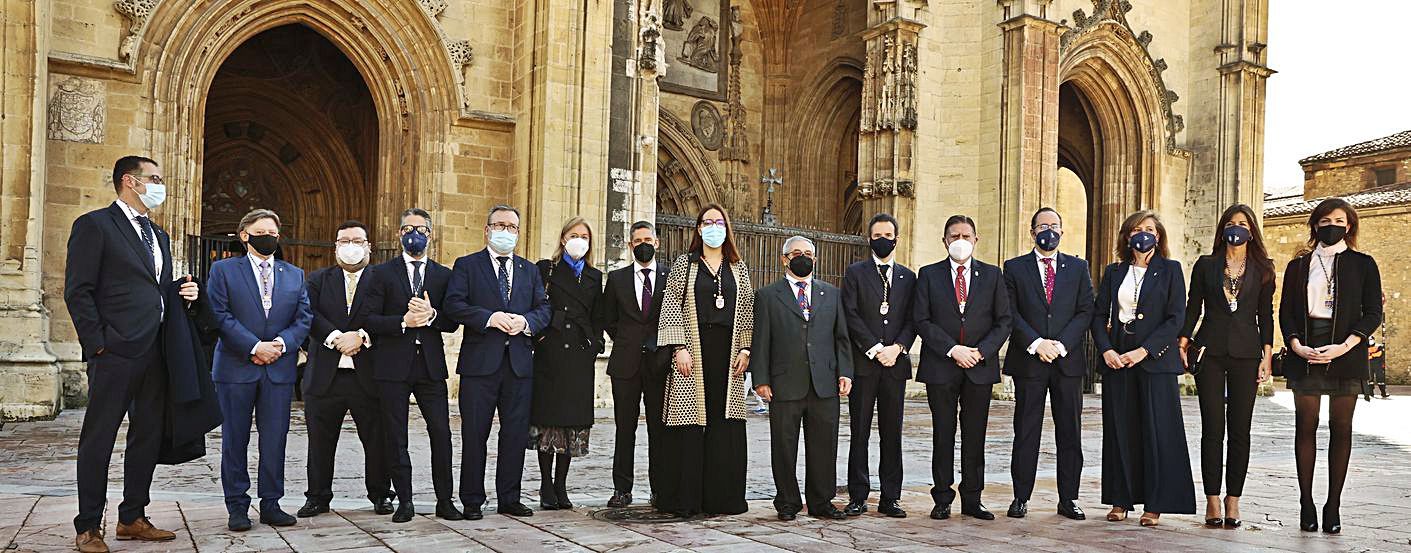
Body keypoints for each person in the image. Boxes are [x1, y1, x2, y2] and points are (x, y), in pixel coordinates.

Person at [64, 156, 200, 552]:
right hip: (115, 352)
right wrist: (99, 344)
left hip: (156, 351)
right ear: (130, 181)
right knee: (100, 437)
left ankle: (132, 517)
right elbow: (78, 290)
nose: (160, 186)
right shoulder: (94, 225)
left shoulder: (159, 236)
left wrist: (180, 292)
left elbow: (150, 289)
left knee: (148, 435)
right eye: (154, 178)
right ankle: (88, 525)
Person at [1277, 197, 1382, 534]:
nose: (1331, 225)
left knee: (1341, 428)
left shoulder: (1364, 264)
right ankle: (1306, 502)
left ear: (1348, 225)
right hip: (1305, 348)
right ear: (1315, 225)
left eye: (1338, 220)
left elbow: (1372, 313)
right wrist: (1295, 344)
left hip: (1347, 350)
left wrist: (1345, 346)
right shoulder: (1298, 266)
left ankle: (1332, 504)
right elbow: (1287, 311)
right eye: (1324, 221)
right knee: (1305, 426)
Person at [207, 209, 313, 532]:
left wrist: (280, 344)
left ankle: (271, 503)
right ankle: (237, 506)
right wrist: (255, 346)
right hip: (236, 368)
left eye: (274, 232)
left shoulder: (294, 274)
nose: (269, 236)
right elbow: (219, 314)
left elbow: (304, 317)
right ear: (245, 235)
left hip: (278, 370)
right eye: (262, 230)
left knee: (275, 439)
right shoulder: (223, 270)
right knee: (234, 439)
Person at [445, 205, 552, 519]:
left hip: (519, 365)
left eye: (512, 227)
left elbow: (544, 309)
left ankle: (509, 498)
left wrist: (526, 322)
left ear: (518, 233)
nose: (506, 231)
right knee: (475, 435)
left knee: (515, 434)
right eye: (500, 225)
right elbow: (454, 304)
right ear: (487, 229)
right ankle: (472, 500)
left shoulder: (529, 270)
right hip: (480, 366)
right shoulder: (467, 265)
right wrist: (489, 317)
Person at [1092, 210, 1195, 527]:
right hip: (1118, 360)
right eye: (1136, 229)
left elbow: (1176, 317)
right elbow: (1098, 316)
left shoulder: (1170, 270)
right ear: (1127, 236)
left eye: (1149, 229)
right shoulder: (1114, 272)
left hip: (1154, 361)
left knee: (1156, 431)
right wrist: (1107, 349)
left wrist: (1144, 351)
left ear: (1159, 236)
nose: (1143, 234)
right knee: (1121, 430)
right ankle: (1120, 499)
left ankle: (1154, 503)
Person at [362, 208, 463, 523]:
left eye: (420, 228)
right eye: (407, 228)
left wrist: (432, 316)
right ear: (399, 234)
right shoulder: (381, 273)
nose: (413, 233)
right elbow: (369, 319)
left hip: (430, 367)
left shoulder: (444, 275)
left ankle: (445, 500)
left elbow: (452, 321)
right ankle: (404, 500)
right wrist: (403, 322)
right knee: (396, 434)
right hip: (392, 366)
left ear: (430, 234)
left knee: (441, 433)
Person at [1178, 204, 1275, 529]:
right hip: (1211, 351)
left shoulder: (1263, 269)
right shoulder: (1206, 265)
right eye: (1231, 223)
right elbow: (1193, 306)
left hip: (1247, 353)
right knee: (1212, 429)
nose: (1237, 228)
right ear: (1223, 229)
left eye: (1243, 224)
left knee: (1240, 430)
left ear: (1251, 231)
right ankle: (1212, 500)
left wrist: (1267, 355)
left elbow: (1266, 315)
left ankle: (1234, 499)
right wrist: (1183, 339)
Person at [656, 203, 755, 517]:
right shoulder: (684, 264)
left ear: (727, 228)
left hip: (728, 355)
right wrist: (678, 347)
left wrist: (745, 349)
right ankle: (686, 499)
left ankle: (723, 499)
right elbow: (671, 302)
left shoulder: (738, 267)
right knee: (690, 423)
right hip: (692, 352)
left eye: (719, 221)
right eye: (707, 222)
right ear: (698, 228)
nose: (714, 226)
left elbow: (748, 310)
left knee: (724, 425)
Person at [913, 215, 1012, 521]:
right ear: (944, 241)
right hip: (941, 366)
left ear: (975, 240)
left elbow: (1004, 321)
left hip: (979, 368)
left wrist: (981, 352)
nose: (960, 240)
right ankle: (942, 497)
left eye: (966, 235)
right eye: (954, 235)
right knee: (943, 434)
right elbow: (921, 319)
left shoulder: (993, 275)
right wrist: (952, 349)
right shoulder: (928, 274)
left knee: (975, 435)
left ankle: (973, 498)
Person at [751, 236, 855, 521]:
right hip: (784, 383)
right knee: (784, 446)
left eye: (808, 253)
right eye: (797, 253)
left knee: (824, 446)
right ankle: (787, 502)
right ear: (785, 259)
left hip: (824, 383)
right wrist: (761, 379)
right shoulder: (767, 296)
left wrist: (845, 372)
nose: (803, 257)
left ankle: (822, 502)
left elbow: (842, 338)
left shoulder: (831, 294)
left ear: (816, 259)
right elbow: (761, 341)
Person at [298, 220, 394, 519]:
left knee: (377, 440)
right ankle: (317, 497)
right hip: (326, 376)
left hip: (369, 376)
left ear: (369, 246)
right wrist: (336, 339)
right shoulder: (318, 278)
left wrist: (361, 337)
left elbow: (388, 317)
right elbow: (308, 314)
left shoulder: (383, 280)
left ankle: (380, 493)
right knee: (320, 441)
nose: (350, 246)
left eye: (356, 240)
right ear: (335, 246)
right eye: (343, 241)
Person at [1002, 207, 1093, 521]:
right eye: (1042, 226)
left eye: (1054, 226)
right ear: (1032, 232)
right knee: (1026, 431)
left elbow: (1085, 311)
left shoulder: (1078, 268)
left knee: (1070, 432)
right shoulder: (1014, 268)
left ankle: (1069, 498)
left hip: (1067, 363)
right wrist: (1036, 343)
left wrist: (1062, 344)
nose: (1048, 231)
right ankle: (1020, 497)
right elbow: (1010, 312)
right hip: (1030, 361)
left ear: (1062, 232)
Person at [841, 213, 916, 518]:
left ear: (896, 238)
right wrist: (874, 348)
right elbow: (850, 314)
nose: (883, 239)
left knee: (892, 432)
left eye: (888, 234)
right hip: (865, 364)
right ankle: (858, 495)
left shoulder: (908, 277)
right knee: (859, 432)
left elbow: (914, 318)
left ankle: (890, 496)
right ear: (869, 238)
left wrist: (897, 348)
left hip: (895, 365)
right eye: (877, 235)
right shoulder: (856, 273)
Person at [529, 217, 605, 510]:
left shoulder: (594, 276)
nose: (579, 240)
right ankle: (546, 485)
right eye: (574, 235)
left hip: (578, 356)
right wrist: (540, 340)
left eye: (584, 236)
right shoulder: (545, 269)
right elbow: (536, 305)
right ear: (563, 239)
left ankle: (561, 485)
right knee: (548, 421)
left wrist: (595, 344)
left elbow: (598, 315)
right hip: (551, 354)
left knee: (571, 423)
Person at [601, 221, 670, 508]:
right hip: (625, 364)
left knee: (659, 429)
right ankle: (622, 489)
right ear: (630, 245)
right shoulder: (616, 279)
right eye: (637, 240)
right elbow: (608, 319)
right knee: (624, 428)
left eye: (647, 239)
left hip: (659, 363)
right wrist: (629, 341)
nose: (643, 244)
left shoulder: (670, 277)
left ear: (657, 243)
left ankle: (661, 488)